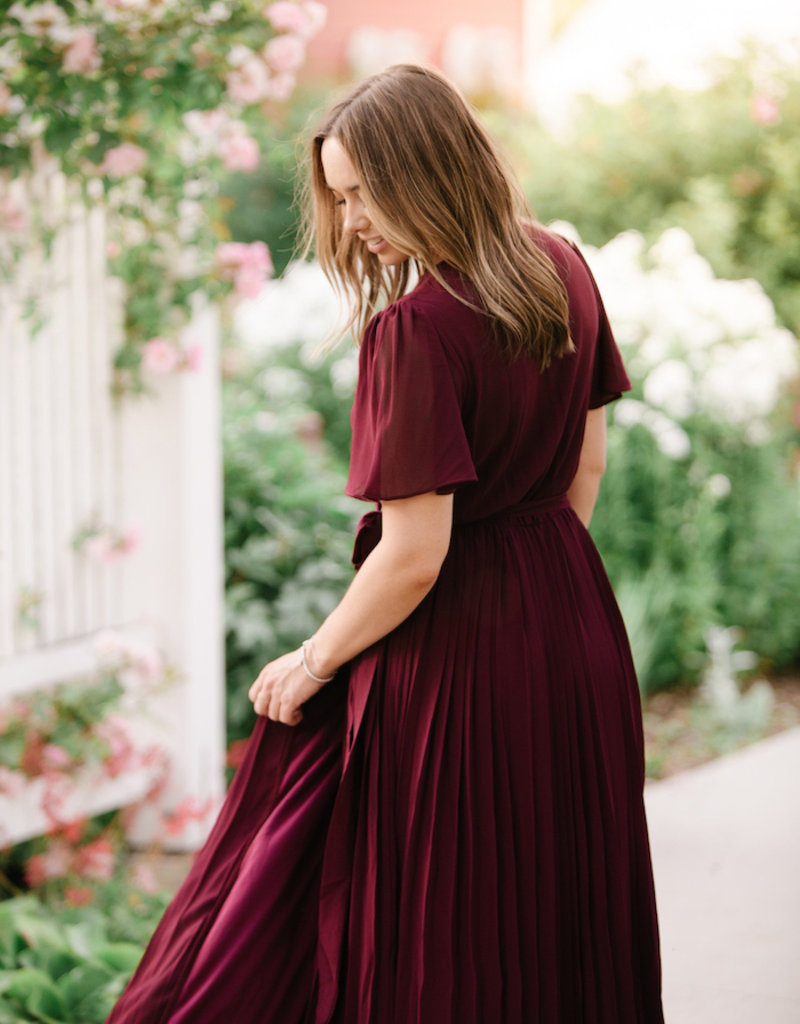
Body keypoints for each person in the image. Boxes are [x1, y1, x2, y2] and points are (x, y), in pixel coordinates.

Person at [105, 63, 665, 1024]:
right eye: (340, 196)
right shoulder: (564, 266)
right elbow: (587, 470)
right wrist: (532, 590)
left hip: (458, 656)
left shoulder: (416, 329)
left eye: (365, 192)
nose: (352, 219)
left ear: (428, 171)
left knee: (452, 922)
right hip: (573, 624)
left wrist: (310, 662)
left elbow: (413, 556)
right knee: (559, 901)